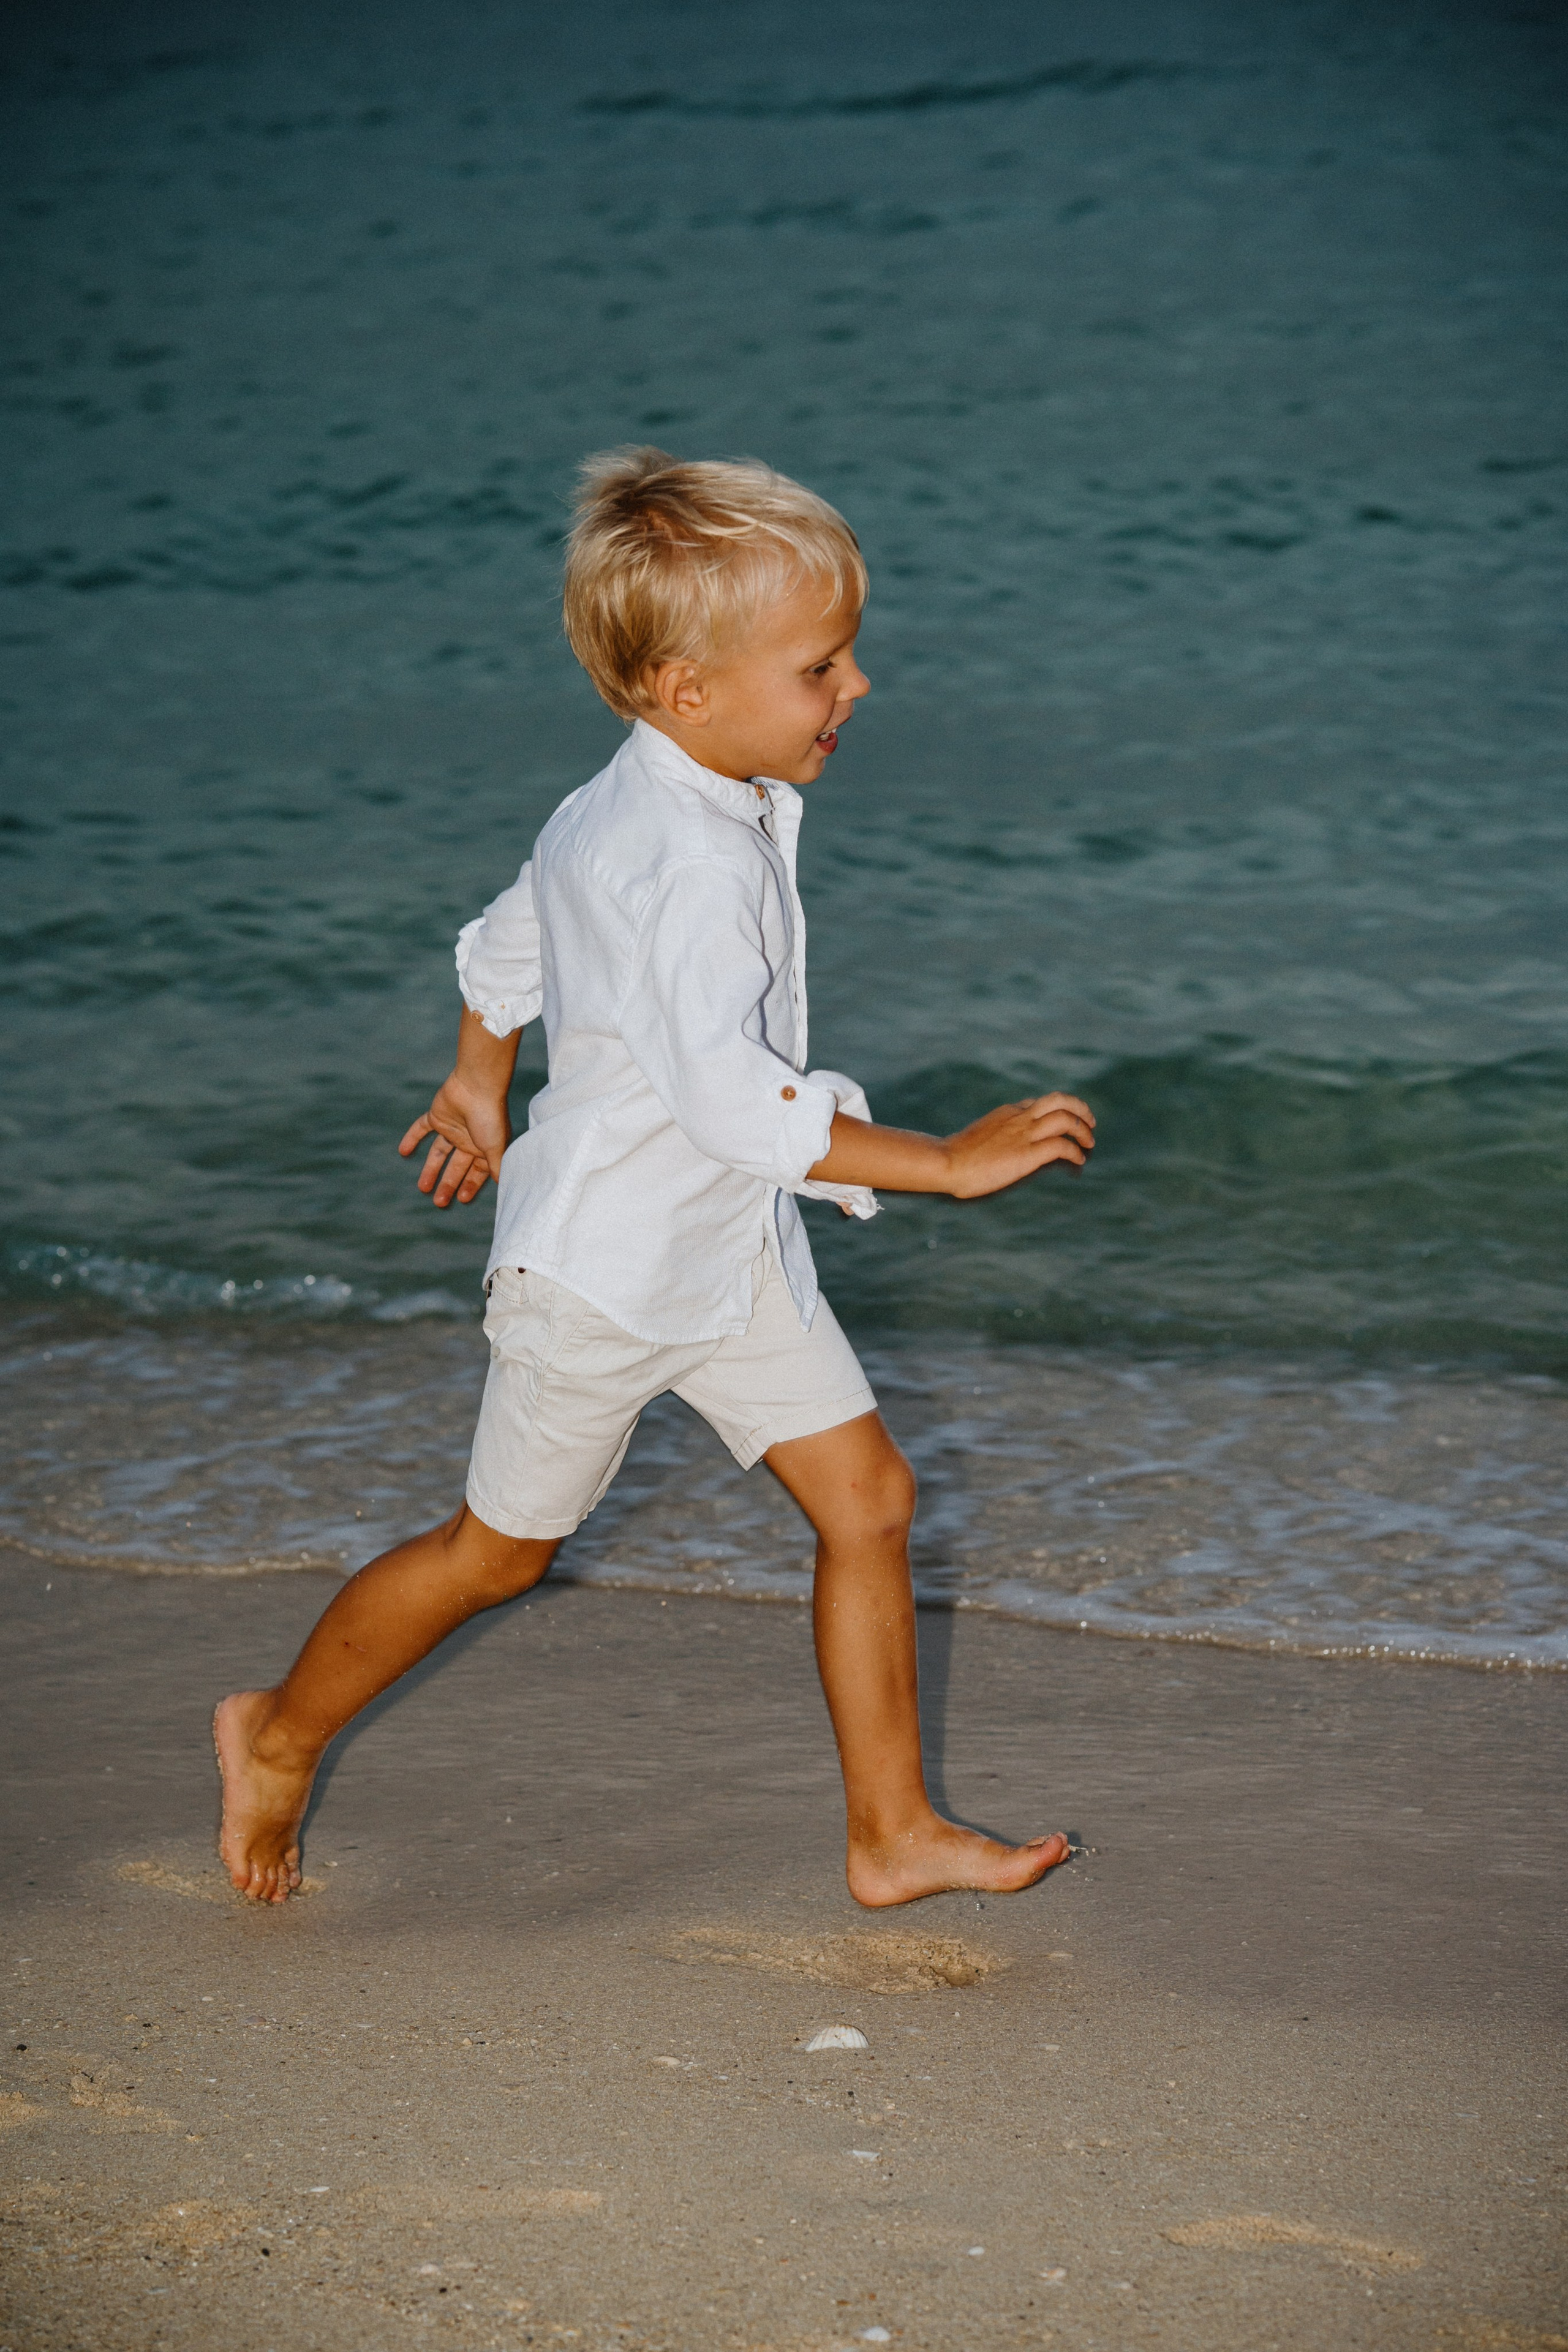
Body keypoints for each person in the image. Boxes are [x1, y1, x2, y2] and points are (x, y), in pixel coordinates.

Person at [215, 448, 1096, 1908]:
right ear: (687, 691)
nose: (857, 685)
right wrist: (943, 1164)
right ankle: (276, 1733)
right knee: (494, 1557)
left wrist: (478, 1079)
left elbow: (514, 935)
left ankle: (890, 1835)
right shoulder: (690, 862)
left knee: (869, 1499)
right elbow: (735, 1104)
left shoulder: (624, 798)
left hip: (724, 1250)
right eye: (819, 668)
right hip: (605, 1274)